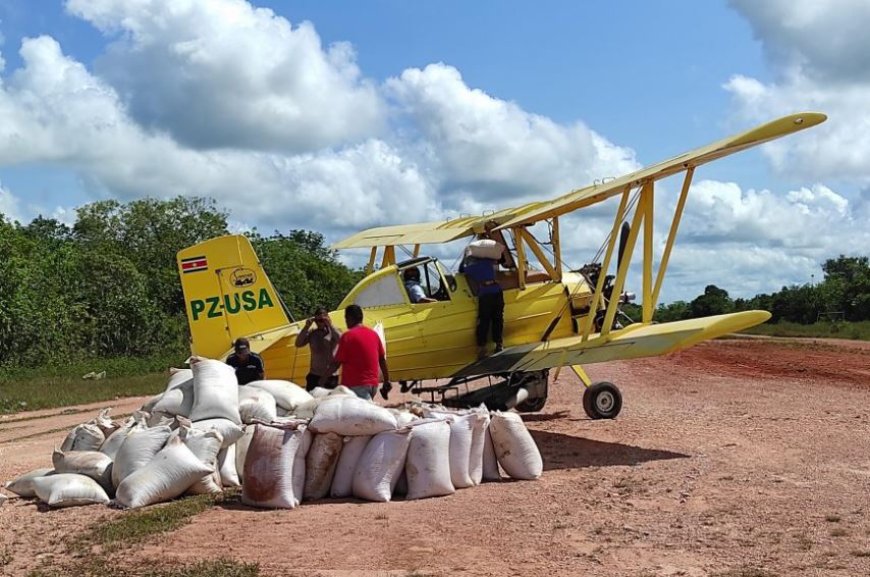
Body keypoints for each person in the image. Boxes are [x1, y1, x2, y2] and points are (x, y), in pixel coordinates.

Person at [320, 304, 391, 401]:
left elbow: (336, 363)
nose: (346, 321)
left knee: (360, 414)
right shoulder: (373, 334)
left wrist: (322, 380)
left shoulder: (348, 336)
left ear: (350, 318)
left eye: (346, 318)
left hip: (356, 385)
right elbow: (382, 360)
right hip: (373, 385)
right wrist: (387, 381)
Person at [461, 232, 507, 359]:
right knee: (492, 320)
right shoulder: (486, 262)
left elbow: (461, 269)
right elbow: (502, 258)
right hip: (493, 292)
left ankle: (489, 346)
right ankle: (492, 345)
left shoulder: (473, 267)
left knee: (487, 320)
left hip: (488, 293)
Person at [295, 306, 341, 391]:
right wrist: (306, 327)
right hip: (314, 375)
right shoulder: (313, 333)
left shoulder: (334, 331)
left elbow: (341, 339)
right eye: (318, 321)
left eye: (322, 320)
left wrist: (330, 325)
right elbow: (298, 343)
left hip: (330, 376)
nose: (320, 323)